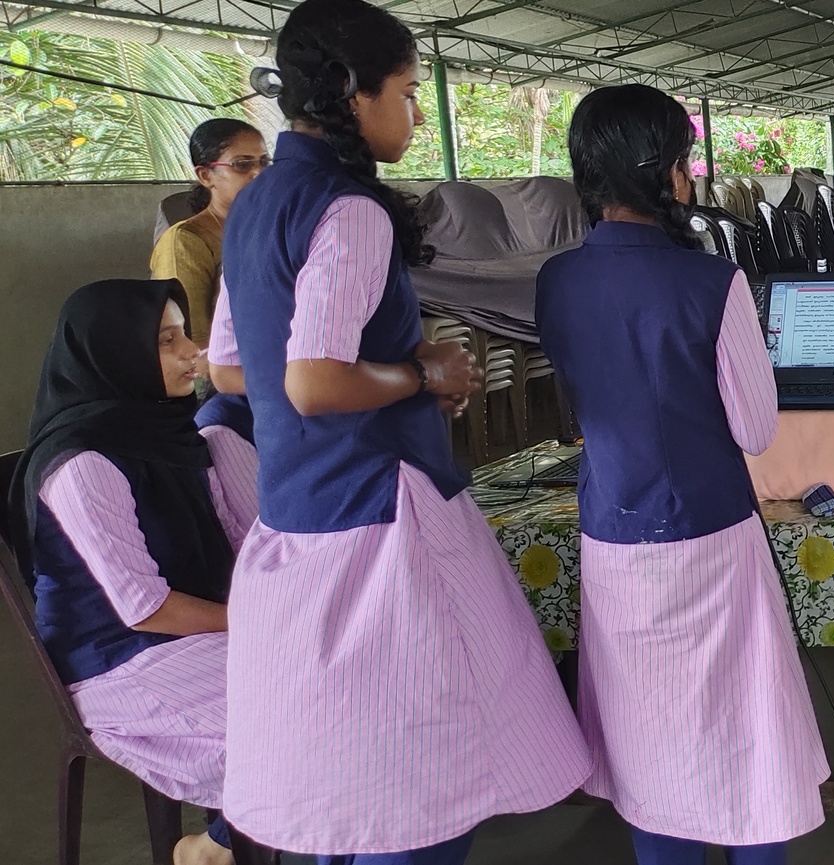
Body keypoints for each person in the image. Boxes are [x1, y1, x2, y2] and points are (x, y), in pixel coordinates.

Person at [214, 1, 592, 860]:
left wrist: (390, 366)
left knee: (348, 775)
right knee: (426, 776)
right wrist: (422, 376)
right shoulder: (349, 211)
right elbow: (313, 380)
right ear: (355, 93)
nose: (417, 114)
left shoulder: (257, 203)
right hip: (379, 521)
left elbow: (234, 368)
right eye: (409, 92)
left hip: (297, 516)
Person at [535, 83, 828, 865]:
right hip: (709, 534)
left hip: (612, 532)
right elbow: (755, 428)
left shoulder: (556, 280)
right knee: (746, 732)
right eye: (685, 160)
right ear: (664, 170)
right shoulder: (711, 283)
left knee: (649, 735)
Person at [9, 280, 257, 865]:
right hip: (120, 660)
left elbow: (246, 543)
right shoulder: (82, 463)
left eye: (185, 334)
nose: (193, 352)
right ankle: (218, 847)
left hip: (201, 633)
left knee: (344, 676)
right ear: (114, 356)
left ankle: (222, 845)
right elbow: (144, 608)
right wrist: (259, 621)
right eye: (167, 341)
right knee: (307, 708)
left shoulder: (176, 433)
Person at [151, 120, 269, 346]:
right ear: (205, 175)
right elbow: (190, 339)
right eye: (242, 164)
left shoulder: (270, 228)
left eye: (264, 162)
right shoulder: (184, 241)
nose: (258, 173)